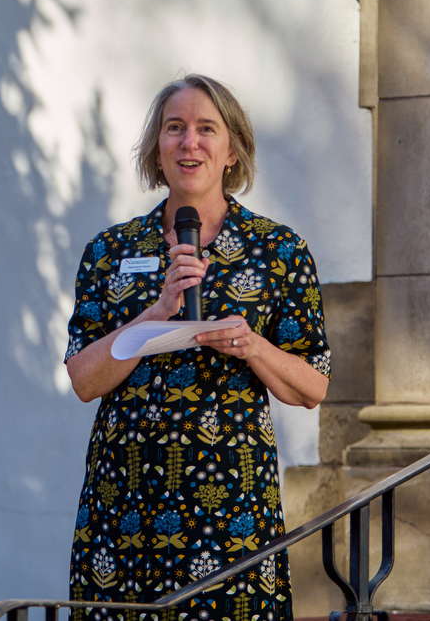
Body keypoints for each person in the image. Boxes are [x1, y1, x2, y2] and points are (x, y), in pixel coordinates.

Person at [64, 75, 330, 621]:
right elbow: (84, 381)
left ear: (232, 151)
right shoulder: (111, 251)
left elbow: (312, 386)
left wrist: (251, 345)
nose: (190, 143)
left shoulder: (277, 250)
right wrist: (156, 313)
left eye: (206, 129)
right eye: (174, 129)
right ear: (156, 149)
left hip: (230, 510)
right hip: (126, 508)